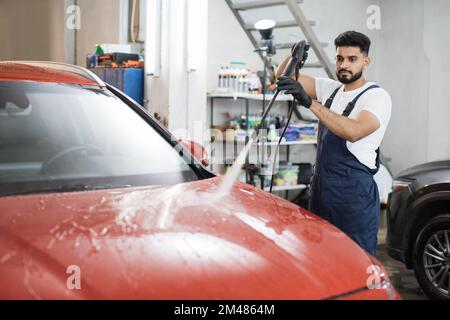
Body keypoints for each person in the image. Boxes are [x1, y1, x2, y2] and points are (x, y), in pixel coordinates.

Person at [276, 31, 392, 255]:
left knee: (355, 260)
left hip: (353, 196)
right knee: (321, 256)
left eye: (352, 59)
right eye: (340, 58)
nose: (344, 65)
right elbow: (282, 76)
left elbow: (354, 131)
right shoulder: (331, 89)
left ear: (366, 61)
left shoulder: (376, 97)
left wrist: (309, 103)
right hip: (322, 190)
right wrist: (293, 58)